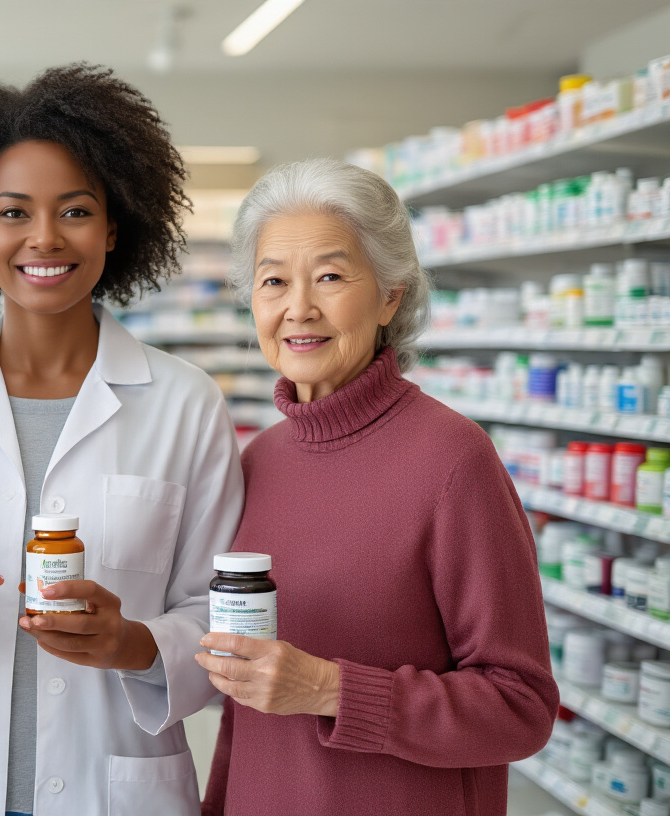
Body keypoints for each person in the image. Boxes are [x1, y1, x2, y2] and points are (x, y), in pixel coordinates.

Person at [0, 64, 244, 816]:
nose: (43, 237)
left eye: (75, 210)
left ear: (113, 227)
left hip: (116, 787)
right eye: (13, 212)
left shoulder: (184, 403)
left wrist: (134, 644)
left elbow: (220, 611)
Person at [196, 158, 558, 816]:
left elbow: (521, 707)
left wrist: (330, 689)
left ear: (391, 294)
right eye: (273, 281)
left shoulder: (453, 461)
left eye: (330, 276)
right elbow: (245, 706)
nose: (298, 308)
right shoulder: (260, 460)